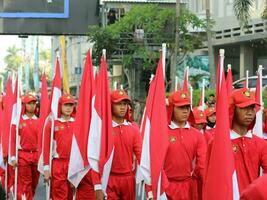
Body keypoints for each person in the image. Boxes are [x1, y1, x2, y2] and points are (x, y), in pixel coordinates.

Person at [164, 90, 206, 200]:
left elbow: (202, 164)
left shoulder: (197, 135)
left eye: (187, 107)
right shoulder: (162, 132)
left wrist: (207, 181)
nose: (185, 111)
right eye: (181, 108)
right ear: (172, 108)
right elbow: (155, 162)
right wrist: (163, 186)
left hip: (188, 186)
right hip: (166, 186)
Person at [229, 88, 267, 193]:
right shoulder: (219, 143)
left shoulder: (261, 143)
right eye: (244, 108)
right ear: (233, 110)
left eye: (252, 108)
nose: (249, 113)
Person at [106, 89, 142, 200]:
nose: (122, 107)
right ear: (111, 105)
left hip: (128, 179)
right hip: (109, 178)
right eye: (118, 104)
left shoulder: (133, 128)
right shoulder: (104, 129)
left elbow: (140, 154)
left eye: (125, 104)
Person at [43, 94, 75, 200]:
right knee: (59, 195)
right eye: (66, 105)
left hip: (74, 164)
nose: (68, 108)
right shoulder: (52, 124)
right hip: (58, 165)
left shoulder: (78, 124)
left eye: (71, 105)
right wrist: (46, 168)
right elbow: (46, 147)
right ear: (60, 106)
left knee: (72, 195)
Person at [10, 93, 40, 200]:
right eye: (29, 103)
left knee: (34, 183)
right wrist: (13, 157)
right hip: (23, 155)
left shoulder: (40, 121)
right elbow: (12, 140)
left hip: (36, 155)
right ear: (24, 105)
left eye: (33, 103)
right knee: (26, 183)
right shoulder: (18, 121)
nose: (32, 106)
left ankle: (28, 197)